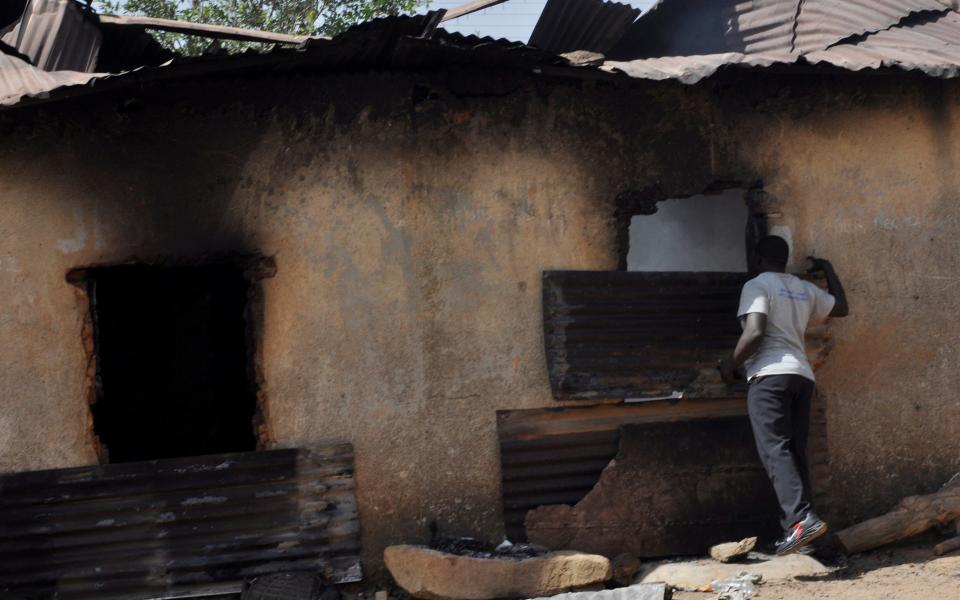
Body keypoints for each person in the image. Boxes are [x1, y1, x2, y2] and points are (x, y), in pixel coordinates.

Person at [719, 235, 849, 556]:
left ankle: (801, 520)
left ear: (757, 257)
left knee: (775, 450)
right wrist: (829, 270)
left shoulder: (758, 285)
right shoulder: (801, 288)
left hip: (770, 377)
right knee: (793, 451)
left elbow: (755, 331)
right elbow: (841, 308)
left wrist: (729, 365)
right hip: (801, 377)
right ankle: (809, 536)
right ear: (785, 259)